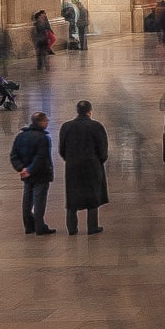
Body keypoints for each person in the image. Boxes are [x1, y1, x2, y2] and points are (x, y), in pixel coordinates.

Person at [59, 100, 108, 235]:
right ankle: (92, 227)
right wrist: (99, 161)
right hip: (92, 166)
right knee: (93, 197)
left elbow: (61, 149)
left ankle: (72, 228)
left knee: (72, 197)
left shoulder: (66, 127)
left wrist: (69, 159)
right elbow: (103, 150)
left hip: (72, 167)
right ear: (89, 111)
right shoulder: (96, 126)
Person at [9, 112, 57, 235]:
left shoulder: (20, 136)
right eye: (46, 121)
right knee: (39, 201)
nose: (47, 123)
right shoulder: (43, 138)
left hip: (26, 175)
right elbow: (40, 157)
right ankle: (40, 227)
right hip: (40, 174)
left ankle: (28, 226)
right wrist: (29, 170)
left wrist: (21, 169)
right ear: (40, 122)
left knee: (27, 200)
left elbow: (14, 155)